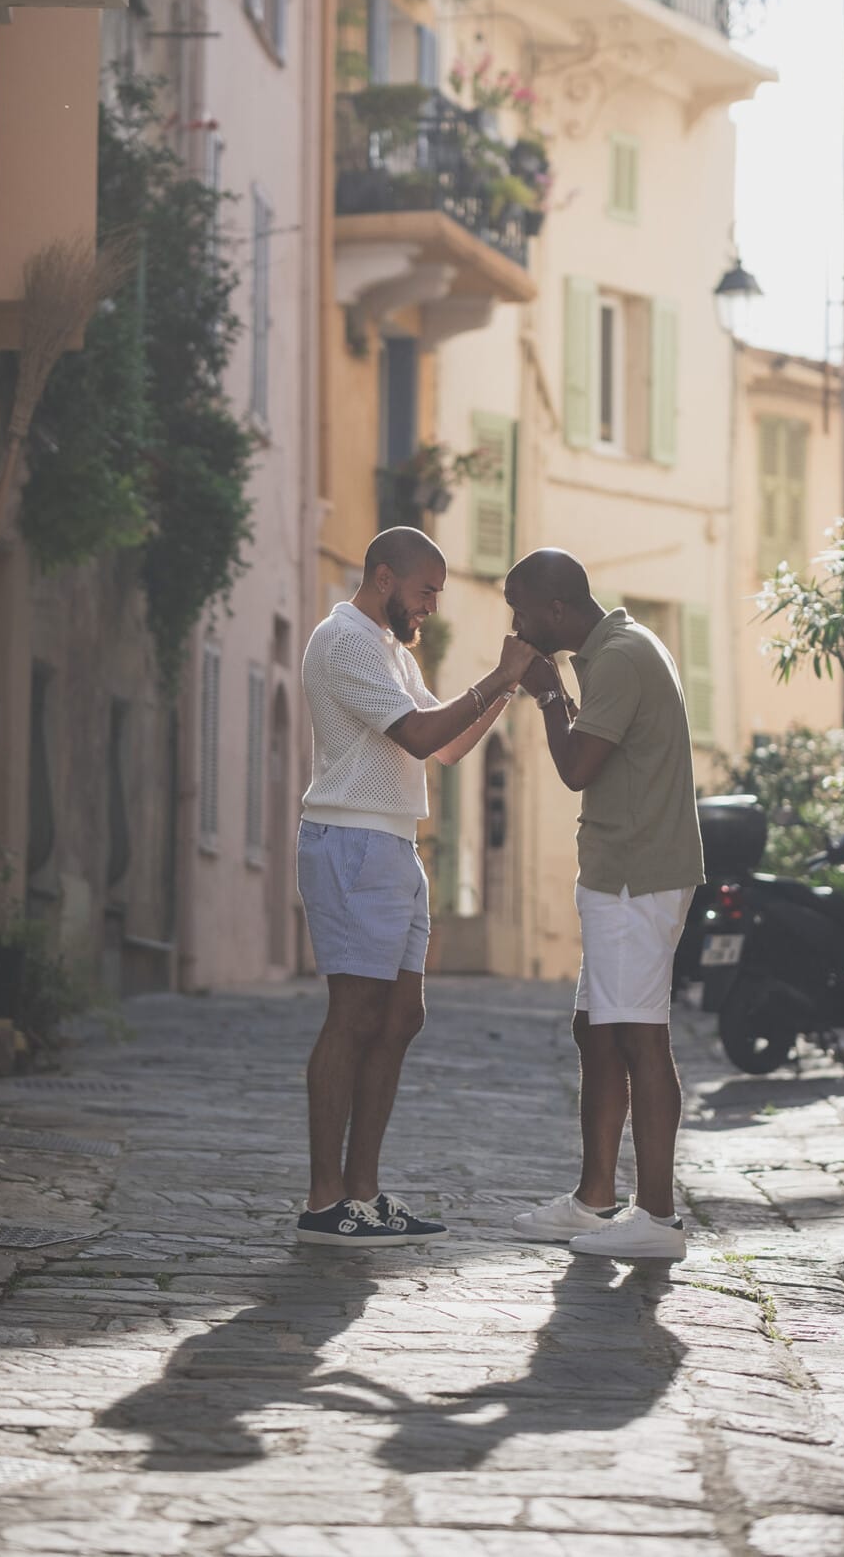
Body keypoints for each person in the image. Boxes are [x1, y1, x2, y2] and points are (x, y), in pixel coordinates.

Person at [296, 525, 537, 1247]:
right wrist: (496, 676)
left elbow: (451, 743)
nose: (431, 605)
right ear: (383, 578)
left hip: (393, 844)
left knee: (402, 1015)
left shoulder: (391, 651)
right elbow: (421, 736)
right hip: (352, 842)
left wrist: (508, 685)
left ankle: (364, 1195)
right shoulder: (342, 641)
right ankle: (324, 1201)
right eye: (426, 590)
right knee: (353, 1014)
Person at [504, 549, 704, 1261]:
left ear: (555, 610)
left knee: (639, 1036)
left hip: (637, 876)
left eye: (521, 611)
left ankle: (658, 1218)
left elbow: (576, 768)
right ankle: (594, 1202)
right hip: (620, 871)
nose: (516, 626)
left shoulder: (617, 658)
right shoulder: (617, 648)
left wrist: (546, 693)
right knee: (595, 1030)